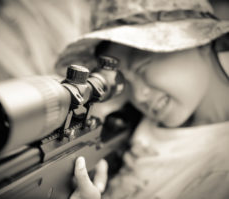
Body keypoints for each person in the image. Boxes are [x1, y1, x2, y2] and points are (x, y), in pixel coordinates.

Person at [55, 0, 229, 198]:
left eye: (142, 67)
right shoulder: (129, 121)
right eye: (124, 82)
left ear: (200, 39)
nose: (138, 96)